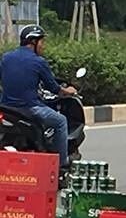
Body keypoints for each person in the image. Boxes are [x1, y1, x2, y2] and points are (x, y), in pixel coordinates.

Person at [0, 25, 76, 174]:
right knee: (61, 122)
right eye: (42, 42)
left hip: (6, 108)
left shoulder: (5, 58)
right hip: (29, 109)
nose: (43, 46)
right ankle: (61, 166)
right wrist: (69, 91)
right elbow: (54, 88)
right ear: (33, 42)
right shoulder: (39, 62)